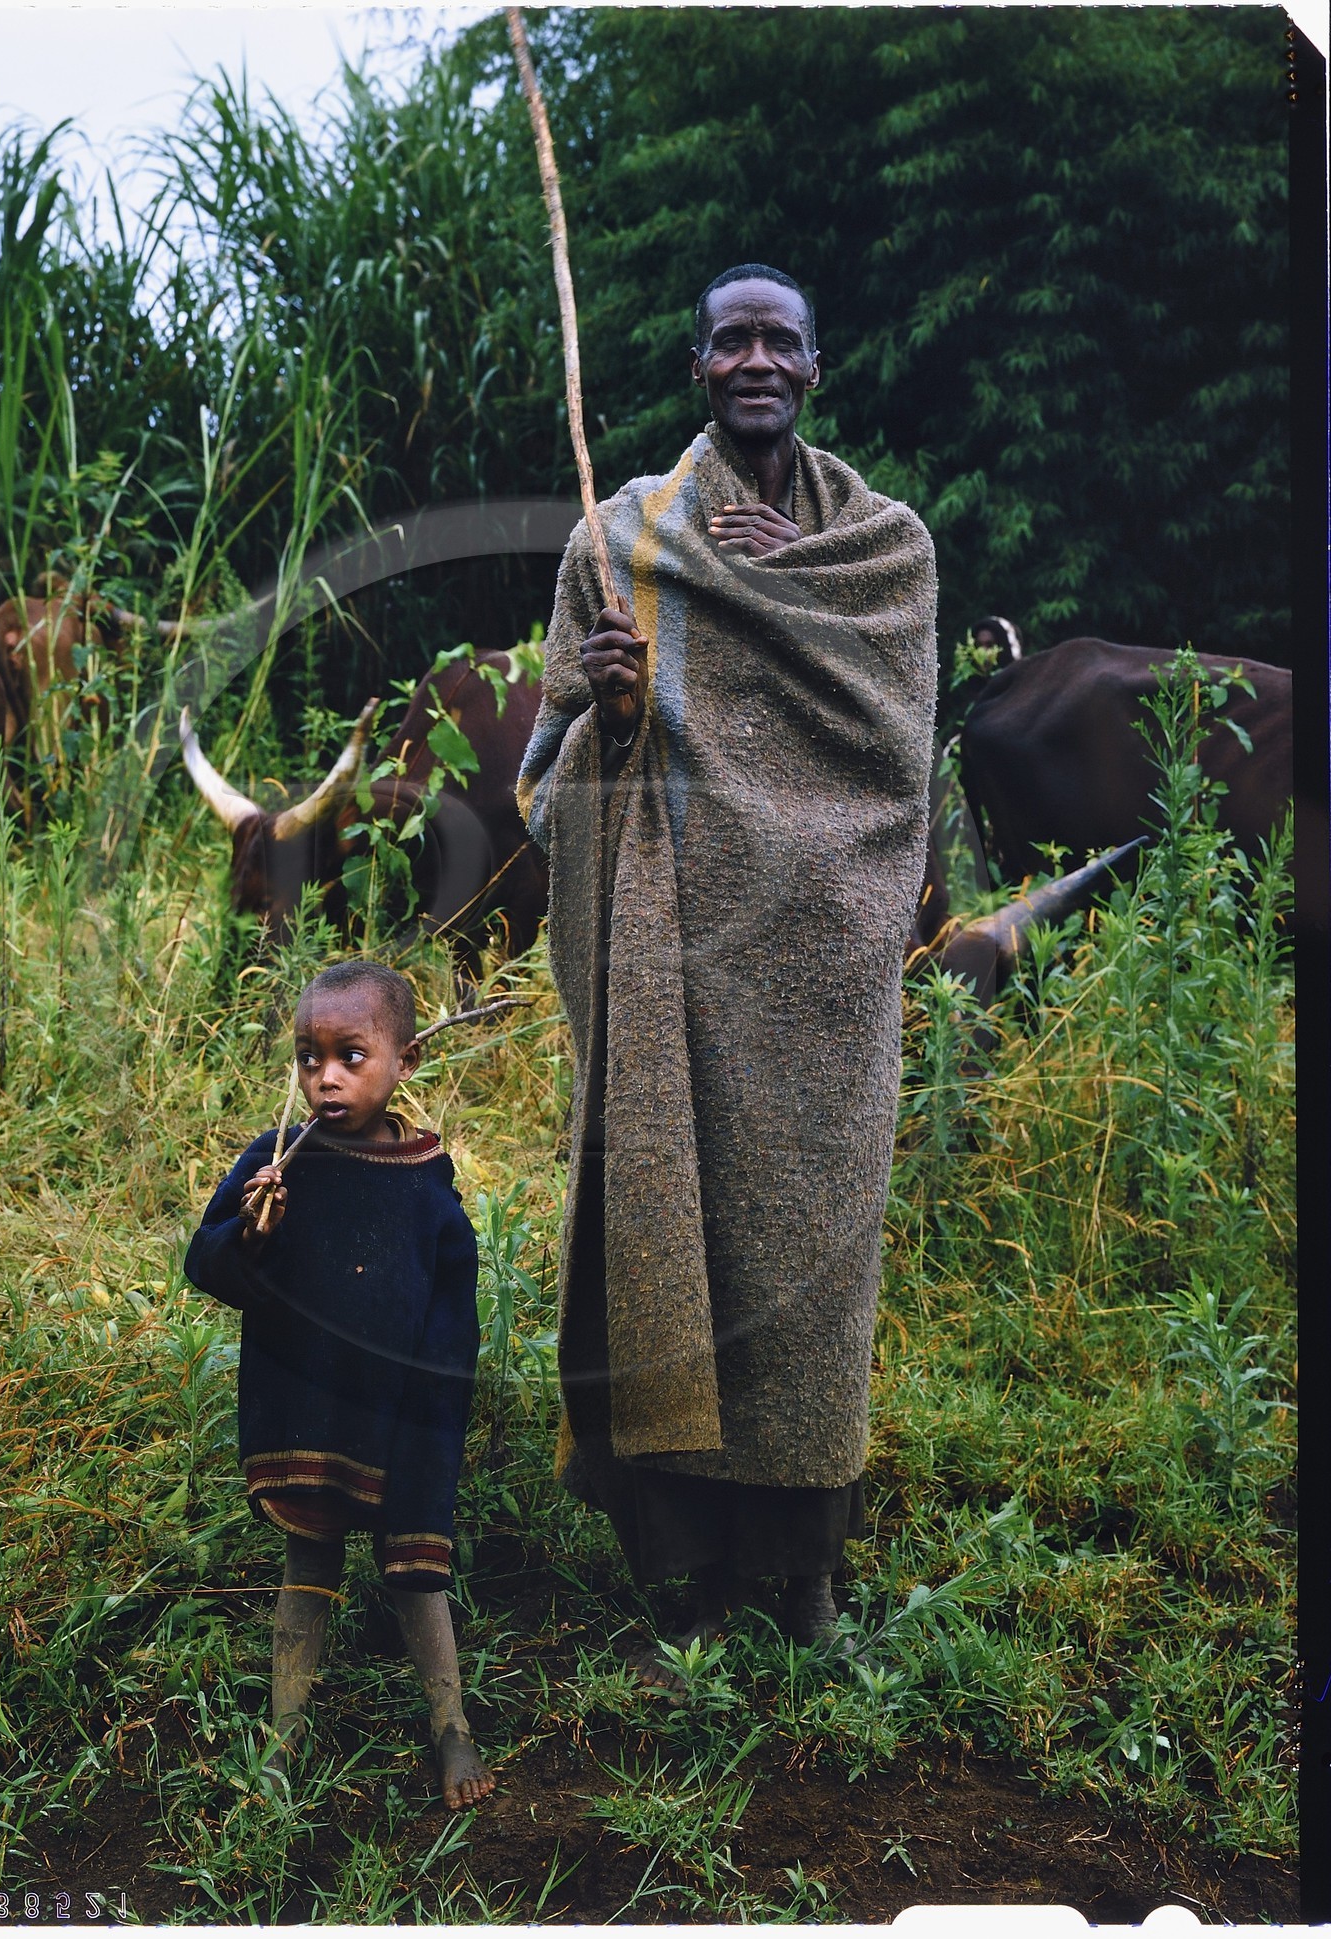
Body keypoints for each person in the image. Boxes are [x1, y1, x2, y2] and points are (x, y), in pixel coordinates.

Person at [518, 263, 939, 1683]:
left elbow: (894, 763)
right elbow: (543, 785)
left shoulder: (887, 550)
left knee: (811, 1272)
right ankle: (683, 1579)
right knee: (665, 1250)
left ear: (815, 366)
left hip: (821, 979)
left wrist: (765, 595)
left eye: (780, 337)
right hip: (668, 964)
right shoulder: (620, 539)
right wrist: (614, 719)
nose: (755, 356)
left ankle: (803, 1571)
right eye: (730, 338)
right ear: (700, 365)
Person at [183, 962, 495, 1809]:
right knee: (307, 1556)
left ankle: (450, 1724)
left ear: (405, 1061)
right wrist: (254, 1234)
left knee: (415, 1573)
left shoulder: (428, 1180)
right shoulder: (281, 1161)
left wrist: (435, 1427)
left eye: (351, 1055)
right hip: (307, 1412)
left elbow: (450, 1323)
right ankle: (287, 1727)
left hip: (401, 1422)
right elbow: (203, 1261)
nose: (325, 1076)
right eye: (308, 1056)